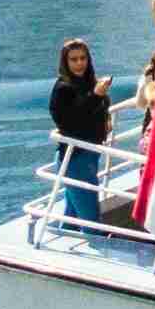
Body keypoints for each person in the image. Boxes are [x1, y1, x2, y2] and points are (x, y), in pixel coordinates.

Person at [46, 40, 110, 216]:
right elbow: (70, 122)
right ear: (65, 63)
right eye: (73, 59)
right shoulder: (63, 88)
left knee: (72, 214)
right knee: (90, 215)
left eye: (83, 58)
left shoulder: (89, 82)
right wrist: (96, 96)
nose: (79, 63)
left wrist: (106, 117)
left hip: (89, 153)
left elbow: (96, 109)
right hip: (75, 157)